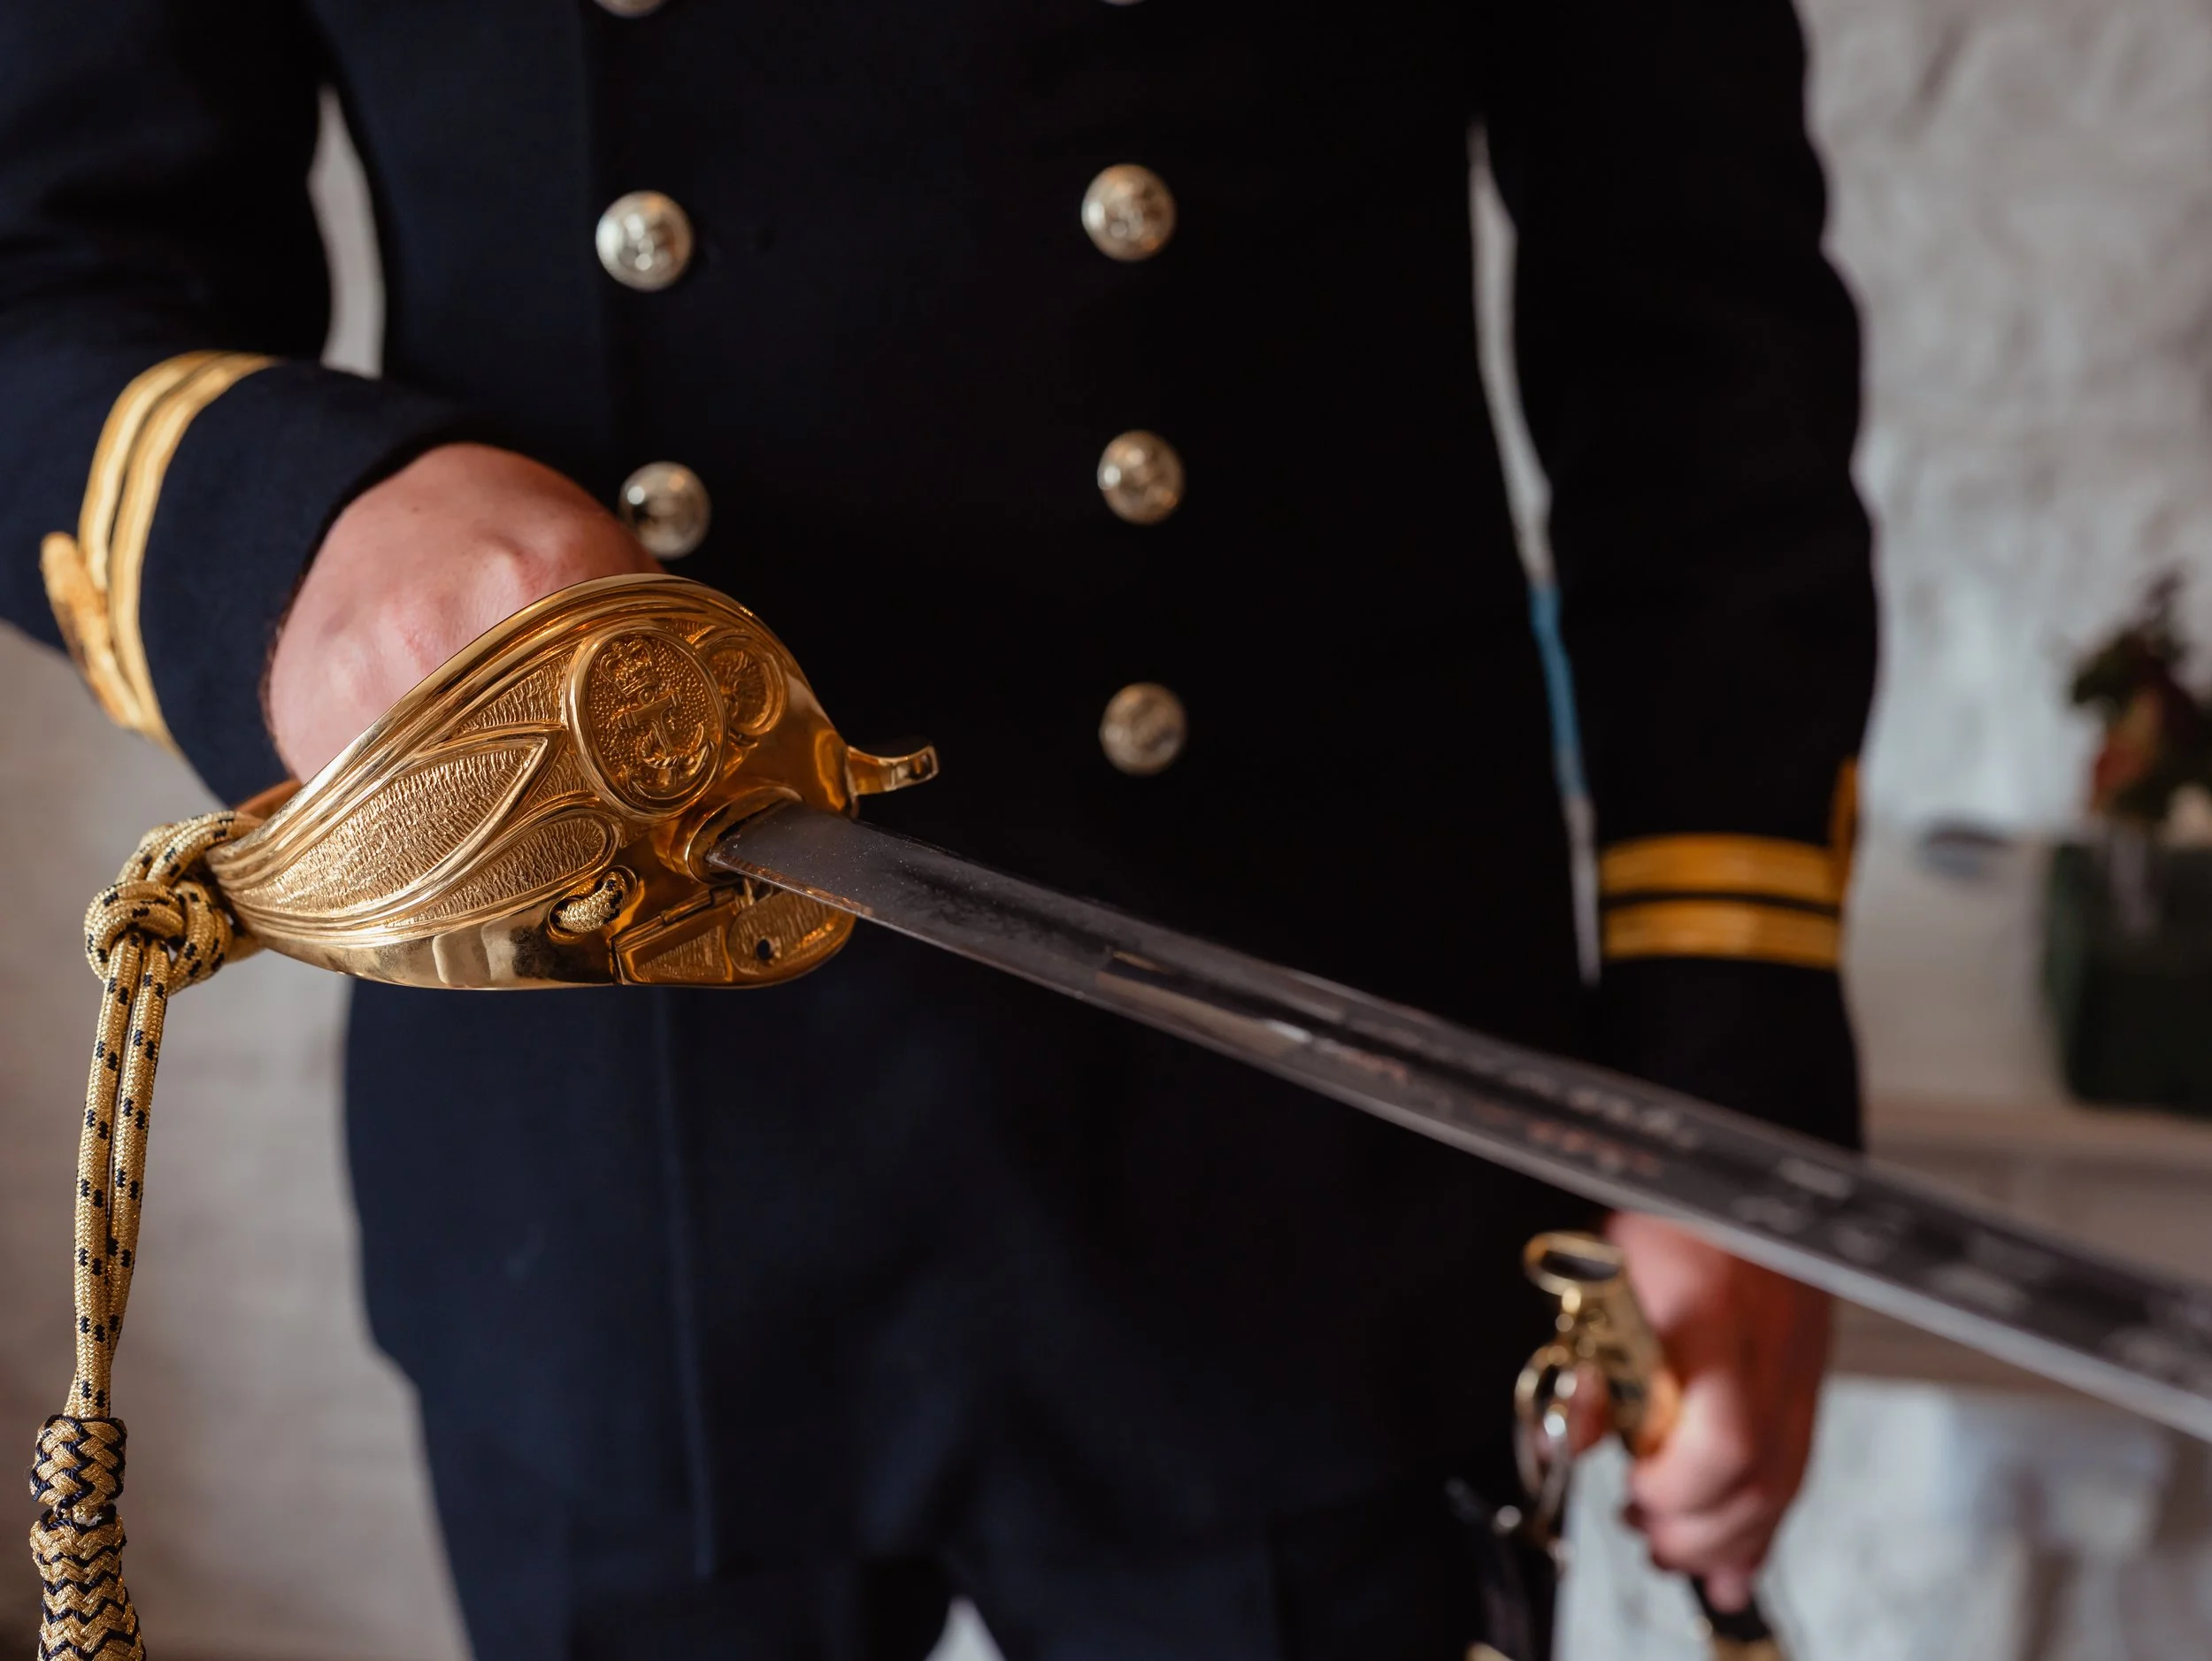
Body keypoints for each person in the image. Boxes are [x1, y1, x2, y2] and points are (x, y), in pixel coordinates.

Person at [0, 3, 1872, 1656]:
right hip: (612, 1147)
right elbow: (44, 268)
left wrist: (1718, 1087)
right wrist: (294, 532)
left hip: (1305, 1128)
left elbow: (1697, 346)